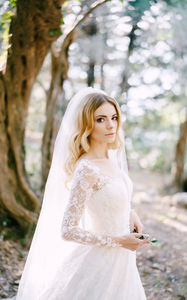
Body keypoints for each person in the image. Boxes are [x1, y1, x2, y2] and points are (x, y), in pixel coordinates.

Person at [16, 87, 150, 300]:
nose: (110, 125)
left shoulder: (110, 159)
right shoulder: (87, 168)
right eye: (100, 119)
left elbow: (110, 196)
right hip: (99, 263)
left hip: (123, 262)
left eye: (114, 117)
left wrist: (129, 212)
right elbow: (68, 230)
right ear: (87, 124)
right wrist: (118, 240)